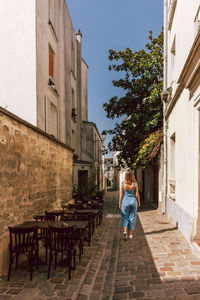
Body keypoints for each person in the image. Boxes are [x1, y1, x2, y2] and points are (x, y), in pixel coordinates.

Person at [119, 169, 140, 239]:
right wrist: (139, 202)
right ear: (132, 176)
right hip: (133, 201)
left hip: (125, 201)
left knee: (124, 217)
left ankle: (125, 231)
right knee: (132, 217)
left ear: (125, 176)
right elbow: (137, 194)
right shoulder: (135, 184)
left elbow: (121, 195)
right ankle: (130, 234)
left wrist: (120, 203)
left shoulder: (123, 184)